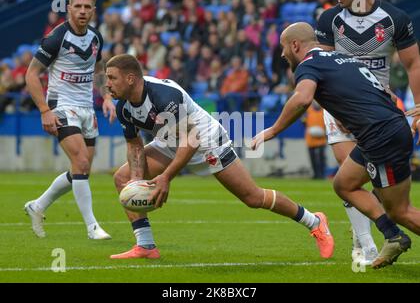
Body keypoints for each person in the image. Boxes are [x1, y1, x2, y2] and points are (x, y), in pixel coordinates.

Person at [104, 54, 334, 260]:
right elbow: (134, 145)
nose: (107, 84)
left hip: (206, 142)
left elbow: (192, 140)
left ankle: (314, 221)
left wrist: (166, 176)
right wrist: (137, 180)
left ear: (131, 78)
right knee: (123, 179)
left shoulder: (164, 96)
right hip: (170, 141)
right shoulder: (124, 106)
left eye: (112, 78)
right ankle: (145, 245)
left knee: (253, 198)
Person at [252, 22, 420, 269]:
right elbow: (387, 94)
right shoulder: (342, 58)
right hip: (384, 131)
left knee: (400, 211)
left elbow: (302, 98)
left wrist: (273, 129)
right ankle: (393, 236)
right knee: (344, 184)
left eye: (283, 47)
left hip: (381, 137)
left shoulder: (308, 64)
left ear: (295, 45)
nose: (282, 54)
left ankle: (394, 231)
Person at [315, 0, 420, 265]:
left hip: (378, 111)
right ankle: (366, 244)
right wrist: (337, 113)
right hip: (339, 110)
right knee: (346, 179)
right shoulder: (329, 20)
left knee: (374, 188)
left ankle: (389, 231)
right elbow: (321, 69)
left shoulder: (394, 18)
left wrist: (419, 105)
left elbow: (414, 64)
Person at [24, 0, 116, 239]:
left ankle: (38, 205)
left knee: (81, 170)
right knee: (82, 163)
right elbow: (31, 75)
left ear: (94, 10)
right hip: (61, 106)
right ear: (69, 9)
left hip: (87, 108)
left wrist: (106, 96)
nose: (83, 11)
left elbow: (99, 69)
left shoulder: (96, 37)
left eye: (88, 7)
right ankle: (92, 227)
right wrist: (44, 110)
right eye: (78, 7)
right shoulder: (56, 38)